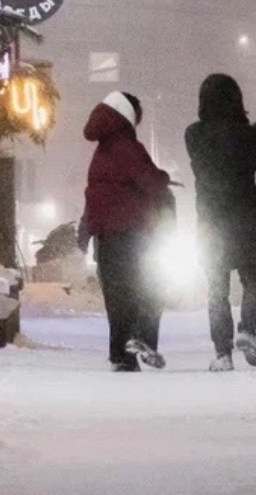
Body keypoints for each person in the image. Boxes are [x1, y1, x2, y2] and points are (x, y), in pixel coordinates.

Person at [184, 73, 256, 372]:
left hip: (210, 224)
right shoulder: (245, 134)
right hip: (245, 221)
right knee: (254, 281)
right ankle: (247, 330)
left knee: (217, 290)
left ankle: (222, 353)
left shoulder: (193, 135)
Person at [81, 91, 173, 372]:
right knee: (150, 287)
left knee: (117, 296)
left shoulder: (101, 151)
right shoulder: (128, 148)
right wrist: (166, 179)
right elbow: (149, 181)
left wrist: (86, 231)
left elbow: (96, 196)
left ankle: (121, 356)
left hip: (104, 236)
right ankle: (141, 337)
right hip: (132, 233)